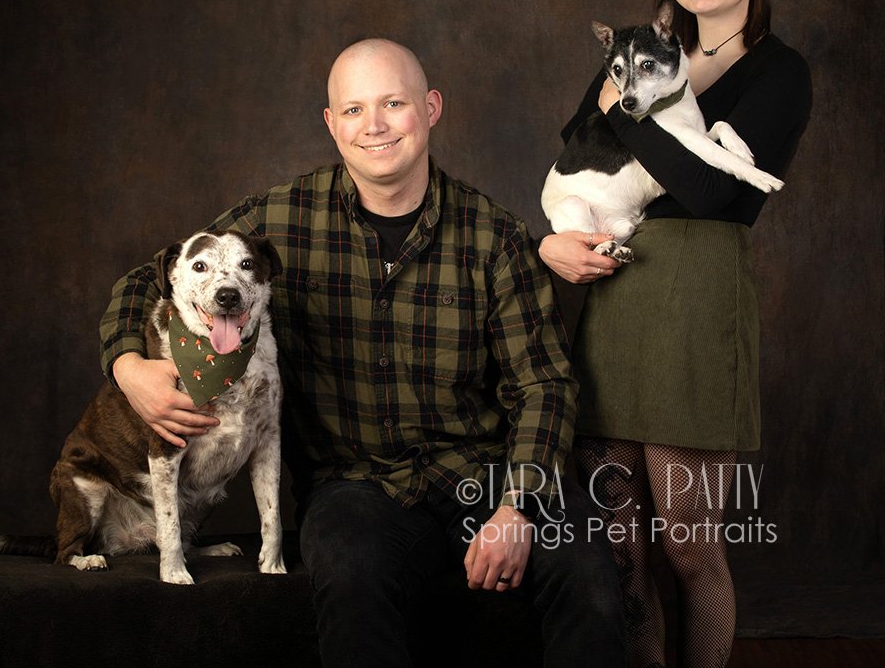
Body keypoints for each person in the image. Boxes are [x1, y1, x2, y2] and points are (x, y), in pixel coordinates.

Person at [100, 38, 626, 667]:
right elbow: (144, 281)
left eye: (393, 103)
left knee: (590, 570)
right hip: (354, 484)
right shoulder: (279, 218)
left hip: (480, 472)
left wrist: (515, 505)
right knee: (351, 578)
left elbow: (543, 385)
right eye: (352, 110)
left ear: (431, 109)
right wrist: (129, 368)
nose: (373, 126)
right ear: (331, 123)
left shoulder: (493, 236)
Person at [539, 0, 811, 668]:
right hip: (617, 294)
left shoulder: (780, 71)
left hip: (697, 303)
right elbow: (577, 153)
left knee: (690, 550)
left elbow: (716, 192)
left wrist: (623, 110)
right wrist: (551, 245)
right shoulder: (644, 49)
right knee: (620, 553)